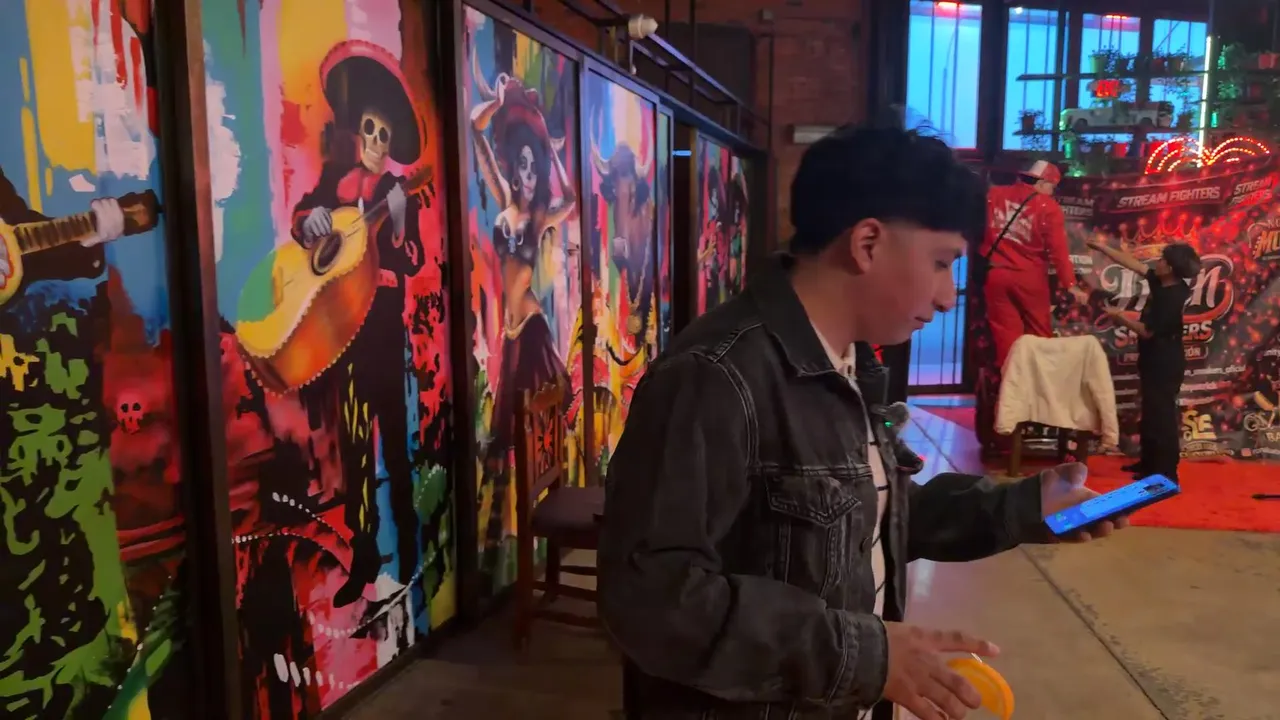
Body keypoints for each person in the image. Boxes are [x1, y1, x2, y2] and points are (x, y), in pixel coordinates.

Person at [600, 124, 1129, 720]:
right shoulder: (715, 377)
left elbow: (869, 516)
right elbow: (651, 599)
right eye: (941, 263)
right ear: (868, 243)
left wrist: (1027, 507)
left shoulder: (848, 361)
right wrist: (863, 658)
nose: (948, 296)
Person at [290, 42, 427, 608]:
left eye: (383, 136)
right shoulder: (335, 184)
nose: (374, 142)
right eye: (368, 129)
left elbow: (414, 258)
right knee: (355, 452)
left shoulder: (399, 194)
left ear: (391, 147)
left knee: (394, 441)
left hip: (384, 332)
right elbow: (303, 219)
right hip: (346, 333)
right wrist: (309, 222)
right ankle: (365, 558)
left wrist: (399, 225)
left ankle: (410, 548)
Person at [1089, 240, 1200, 483]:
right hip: (1153, 356)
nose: (1156, 262)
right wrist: (1102, 248)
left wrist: (1119, 317)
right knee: (1150, 412)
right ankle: (1149, 463)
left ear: (1169, 268)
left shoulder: (1172, 297)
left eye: (1162, 260)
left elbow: (1147, 331)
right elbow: (1134, 265)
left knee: (1162, 416)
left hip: (1165, 360)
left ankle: (1166, 472)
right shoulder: (1162, 282)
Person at [982, 160, 1092, 368]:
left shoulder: (994, 195)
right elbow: (1058, 251)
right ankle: (1039, 380)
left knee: (1005, 335)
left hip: (995, 274)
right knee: (1039, 332)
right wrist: (1070, 284)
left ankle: (1010, 381)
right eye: (1052, 187)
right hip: (1028, 277)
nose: (1052, 192)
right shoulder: (1048, 208)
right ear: (1042, 183)